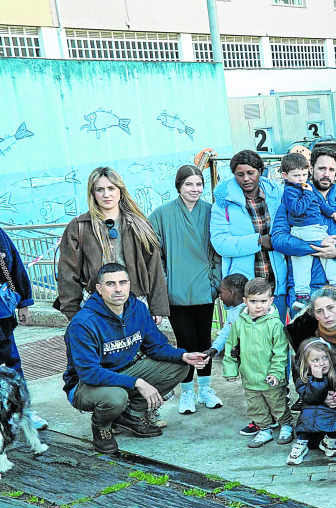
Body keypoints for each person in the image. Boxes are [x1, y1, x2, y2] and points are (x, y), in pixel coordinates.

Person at [63, 264, 206, 453]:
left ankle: (130, 415)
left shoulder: (137, 308)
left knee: (180, 367)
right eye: (110, 284)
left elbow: (155, 346)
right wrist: (137, 382)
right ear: (99, 289)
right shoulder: (83, 323)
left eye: (122, 283)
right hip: (84, 385)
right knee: (116, 397)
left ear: (129, 285)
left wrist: (184, 355)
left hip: (123, 371)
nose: (118, 289)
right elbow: (89, 373)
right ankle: (101, 427)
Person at [150, 164, 222, 414]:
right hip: (176, 291)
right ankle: (187, 392)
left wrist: (215, 283)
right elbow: (153, 254)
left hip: (205, 288)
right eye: (189, 184)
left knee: (204, 341)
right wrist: (166, 282)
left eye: (199, 184)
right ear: (178, 186)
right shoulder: (161, 214)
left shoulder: (212, 212)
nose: (194, 189)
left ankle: (206, 390)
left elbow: (217, 250)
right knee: (185, 342)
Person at [57, 167, 168, 324]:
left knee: (139, 346)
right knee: (104, 347)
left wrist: (157, 307)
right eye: (100, 189)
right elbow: (67, 272)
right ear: (93, 194)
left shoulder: (139, 224)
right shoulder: (79, 226)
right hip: (97, 301)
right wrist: (72, 311)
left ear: (120, 191)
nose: (106, 194)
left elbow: (154, 267)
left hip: (135, 298)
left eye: (111, 188)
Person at [212, 150, 287, 320]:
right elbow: (220, 243)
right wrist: (259, 241)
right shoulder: (223, 203)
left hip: (276, 280)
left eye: (250, 173)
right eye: (240, 174)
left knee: (277, 336)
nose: (245, 178)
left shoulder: (277, 194)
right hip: (244, 285)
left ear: (260, 171)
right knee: (247, 338)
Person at [223, 277, 293, 448]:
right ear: (245, 301)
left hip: (271, 378)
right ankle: (264, 428)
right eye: (253, 301)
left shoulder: (275, 324)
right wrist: (230, 369)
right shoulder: (240, 323)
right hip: (249, 377)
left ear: (271, 300)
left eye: (263, 301)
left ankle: (285, 425)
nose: (258, 306)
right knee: (256, 406)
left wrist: (276, 373)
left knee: (278, 403)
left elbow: (281, 352)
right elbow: (232, 346)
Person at [274, 151, 336, 302]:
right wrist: (307, 194)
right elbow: (296, 209)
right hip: (305, 229)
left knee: (301, 262)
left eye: (304, 175)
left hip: (309, 230)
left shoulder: (307, 186)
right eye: (296, 175)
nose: (301, 179)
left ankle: (301, 294)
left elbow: (321, 204)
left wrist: (333, 214)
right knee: (328, 248)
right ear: (284, 175)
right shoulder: (290, 191)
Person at [288, 337, 336, 465]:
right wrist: (318, 380)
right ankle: (301, 443)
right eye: (315, 360)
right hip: (314, 404)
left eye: (325, 358)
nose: (322, 363)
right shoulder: (305, 375)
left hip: (335, 405)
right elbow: (309, 397)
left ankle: (329, 440)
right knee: (309, 413)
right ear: (307, 362)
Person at [0, 225, 34, 376]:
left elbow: (15, 266)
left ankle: (16, 396)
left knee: (9, 356)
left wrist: (24, 303)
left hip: (2, 311)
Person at [207, 274, 247, 362]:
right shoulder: (233, 311)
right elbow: (226, 331)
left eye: (221, 292)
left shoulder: (247, 312)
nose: (220, 297)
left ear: (231, 293)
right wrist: (215, 348)